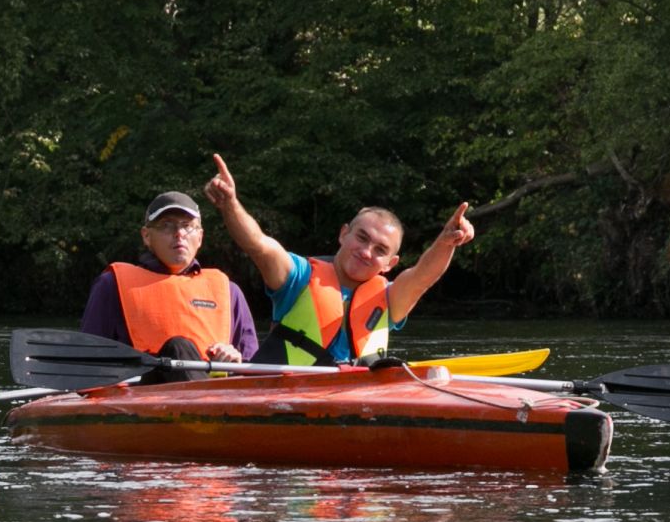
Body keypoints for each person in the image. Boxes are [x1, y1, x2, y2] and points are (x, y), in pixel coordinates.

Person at [202, 154, 474, 366]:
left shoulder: (390, 299)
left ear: (390, 264)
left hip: (353, 399)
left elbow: (423, 277)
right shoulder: (299, 276)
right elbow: (259, 245)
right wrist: (230, 203)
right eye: (362, 238)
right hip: (286, 396)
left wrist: (446, 241)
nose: (366, 252)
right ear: (344, 234)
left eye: (380, 250)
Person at [80, 191, 258, 373]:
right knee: (178, 347)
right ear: (146, 236)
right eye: (166, 225)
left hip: (211, 387)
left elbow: (253, 369)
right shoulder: (112, 285)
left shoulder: (229, 291)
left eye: (187, 226)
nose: (179, 233)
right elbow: (87, 363)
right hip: (144, 386)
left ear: (200, 237)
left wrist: (234, 363)